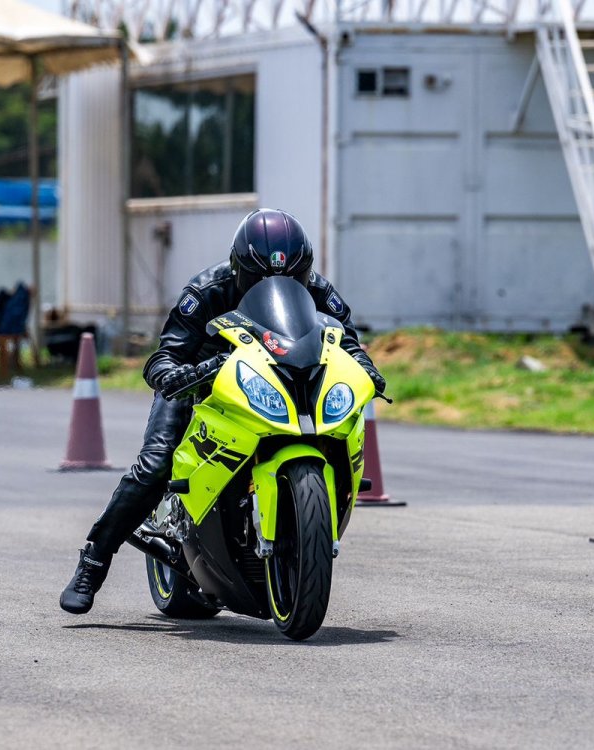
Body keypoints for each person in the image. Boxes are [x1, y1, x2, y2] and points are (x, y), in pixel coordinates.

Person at [60, 208, 387, 615]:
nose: (279, 284)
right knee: (156, 463)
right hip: (201, 385)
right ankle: (93, 562)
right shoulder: (206, 290)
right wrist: (180, 375)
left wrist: (367, 369)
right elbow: (163, 357)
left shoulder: (320, 290)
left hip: (281, 383)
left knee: (332, 432)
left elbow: (348, 341)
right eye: (261, 276)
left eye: (292, 276)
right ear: (239, 269)